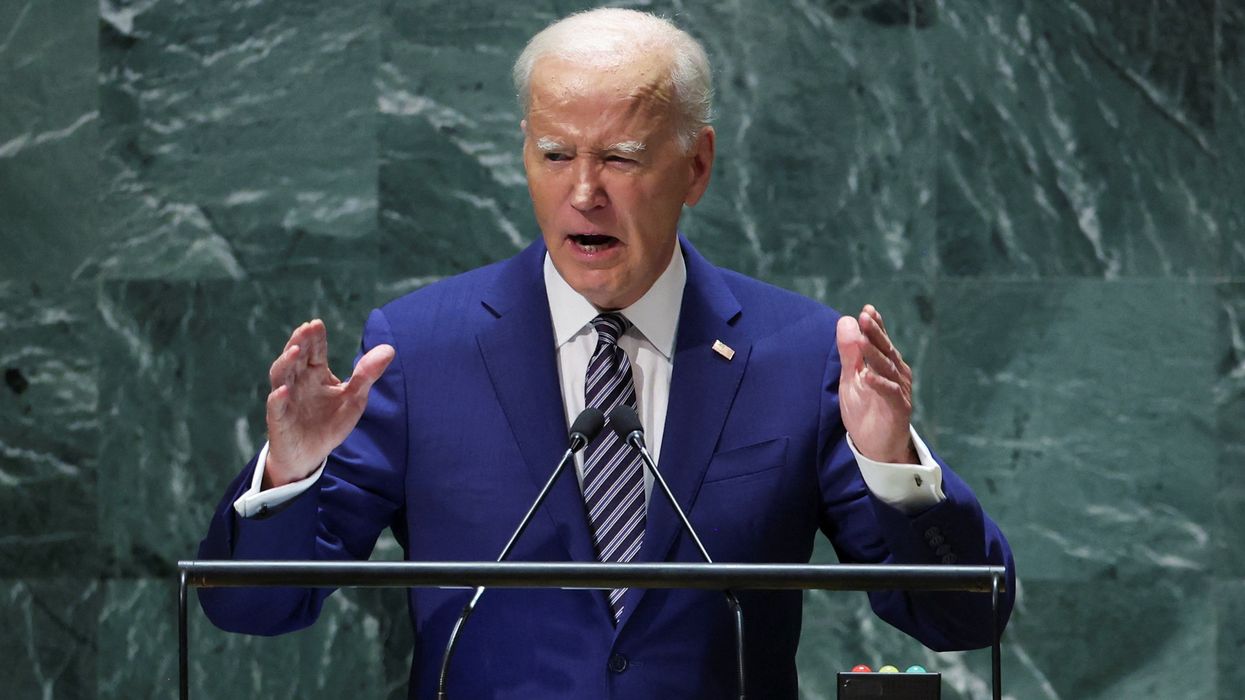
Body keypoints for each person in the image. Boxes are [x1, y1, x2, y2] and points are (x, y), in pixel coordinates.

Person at [198, 8, 1015, 699]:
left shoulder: (796, 354)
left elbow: (962, 617)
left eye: (620, 158)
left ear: (694, 166)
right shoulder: (420, 347)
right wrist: (289, 472)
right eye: (555, 155)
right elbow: (253, 608)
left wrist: (893, 469)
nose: (583, 190)